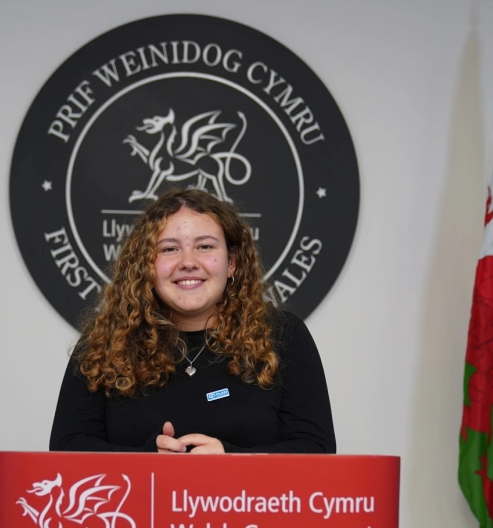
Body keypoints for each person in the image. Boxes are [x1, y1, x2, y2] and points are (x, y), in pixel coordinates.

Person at [49, 188, 335, 454]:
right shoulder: (104, 341)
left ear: (231, 263)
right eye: (169, 249)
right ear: (147, 265)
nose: (188, 262)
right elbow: (67, 448)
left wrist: (231, 460)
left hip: (248, 507)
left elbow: (316, 449)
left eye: (205, 247)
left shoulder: (283, 336)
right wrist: (146, 460)